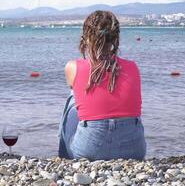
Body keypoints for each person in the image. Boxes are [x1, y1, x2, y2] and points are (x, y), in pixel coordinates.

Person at [59, 10, 146, 160]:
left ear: (86, 37)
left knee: (73, 99)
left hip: (90, 150)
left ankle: (65, 158)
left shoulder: (73, 67)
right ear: (115, 39)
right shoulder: (133, 67)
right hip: (134, 151)